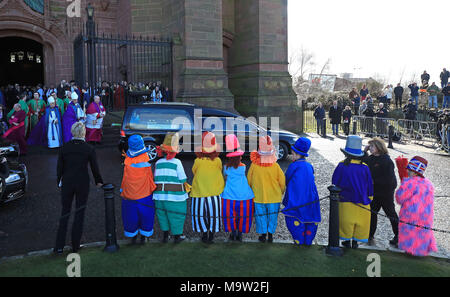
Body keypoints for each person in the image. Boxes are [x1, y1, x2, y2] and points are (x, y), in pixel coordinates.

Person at [54, 122, 103, 254]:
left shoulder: (65, 148)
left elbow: (59, 168)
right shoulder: (88, 148)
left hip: (67, 182)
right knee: (79, 213)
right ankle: (75, 245)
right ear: (83, 133)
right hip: (82, 182)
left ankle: (59, 246)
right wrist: (99, 181)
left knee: (65, 212)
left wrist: (59, 180)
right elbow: (95, 168)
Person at [332, 136, 373, 249]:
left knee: (346, 223)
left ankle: (346, 241)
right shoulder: (365, 168)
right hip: (362, 201)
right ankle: (356, 241)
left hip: (345, 200)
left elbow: (335, 181)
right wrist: (370, 197)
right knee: (360, 224)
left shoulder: (342, 165)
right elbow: (369, 184)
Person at [395, 156, 437, 256]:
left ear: (413, 172)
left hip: (410, 214)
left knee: (410, 231)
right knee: (421, 233)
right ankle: (419, 251)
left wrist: (402, 187)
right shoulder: (429, 184)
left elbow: (400, 198)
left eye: (409, 170)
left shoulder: (409, 182)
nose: (408, 172)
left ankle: (409, 251)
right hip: (425, 215)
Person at [282, 137, 320, 246]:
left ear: (298, 154)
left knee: (294, 216)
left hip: (297, 196)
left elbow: (287, 178)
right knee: (309, 217)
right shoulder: (309, 166)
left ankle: (298, 239)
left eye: (293, 154)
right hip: (310, 197)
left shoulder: (293, 166)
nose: (292, 156)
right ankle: (308, 240)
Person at [247, 136, 285, 243]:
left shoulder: (254, 166)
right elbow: (282, 182)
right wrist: (281, 191)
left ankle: (263, 235)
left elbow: (249, 180)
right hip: (274, 197)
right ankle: (271, 235)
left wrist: (251, 190)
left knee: (260, 216)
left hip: (258, 196)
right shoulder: (276, 166)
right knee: (272, 216)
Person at [153, 132, 190, 244]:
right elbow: (183, 179)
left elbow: (156, 178)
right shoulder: (177, 163)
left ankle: (165, 236)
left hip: (160, 196)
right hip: (175, 197)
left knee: (162, 215)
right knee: (177, 215)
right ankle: (177, 236)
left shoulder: (158, 163)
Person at [120, 134, 157, 244]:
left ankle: (133, 235)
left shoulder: (127, 160)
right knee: (146, 214)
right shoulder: (145, 158)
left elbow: (125, 177)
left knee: (130, 216)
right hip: (144, 193)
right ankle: (144, 236)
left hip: (129, 194)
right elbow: (149, 176)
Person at [362, 138, 398, 247]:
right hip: (375, 192)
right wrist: (365, 151)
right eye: (370, 146)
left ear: (379, 147)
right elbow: (363, 161)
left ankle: (399, 235)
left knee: (391, 214)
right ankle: (370, 234)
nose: (371, 148)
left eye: (372, 146)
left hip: (386, 193)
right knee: (372, 213)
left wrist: (374, 181)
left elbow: (390, 180)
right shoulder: (371, 158)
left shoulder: (387, 160)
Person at [190, 132, 224, 244]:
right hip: (215, 192)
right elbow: (220, 170)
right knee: (214, 214)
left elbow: (194, 171)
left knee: (200, 214)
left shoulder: (197, 161)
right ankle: (212, 235)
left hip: (199, 192)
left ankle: (204, 233)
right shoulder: (218, 161)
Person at [221, 134, 254, 242]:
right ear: (239, 157)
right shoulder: (243, 167)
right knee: (243, 216)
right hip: (244, 196)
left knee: (231, 216)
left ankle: (233, 233)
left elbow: (225, 175)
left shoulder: (226, 167)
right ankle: (240, 234)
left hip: (229, 196)